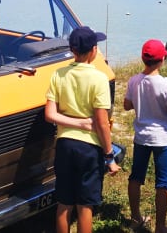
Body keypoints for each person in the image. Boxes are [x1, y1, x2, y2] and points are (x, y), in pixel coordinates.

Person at [45, 26, 121, 233]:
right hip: (89, 148)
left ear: (72, 50)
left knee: (64, 202)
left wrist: (74, 123)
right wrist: (109, 156)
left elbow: (50, 114)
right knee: (85, 205)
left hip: (64, 145)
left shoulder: (58, 75)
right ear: (94, 50)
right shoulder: (99, 79)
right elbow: (101, 123)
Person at [124, 39, 167, 233]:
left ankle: (135, 217)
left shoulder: (134, 80)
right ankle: (160, 226)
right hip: (162, 139)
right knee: (163, 183)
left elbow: (127, 105)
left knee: (136, 177)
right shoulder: (166, 84)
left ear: (143, 58)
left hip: (141, 137)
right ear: (163, 60)